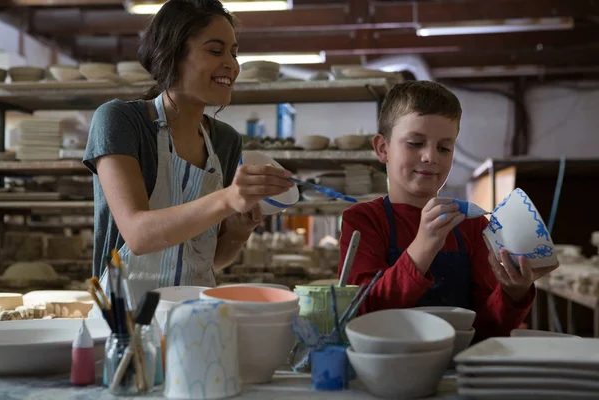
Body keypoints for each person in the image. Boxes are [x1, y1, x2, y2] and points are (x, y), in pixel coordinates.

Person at [83, 0, 294, 300]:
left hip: (198, 318)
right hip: (124, 319)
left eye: (234, 53)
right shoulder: (120, 121)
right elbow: (138, 235)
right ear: (173, 53)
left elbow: (211, 259)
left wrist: (238, 230)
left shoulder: (225, 140)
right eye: (215, 50)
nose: (232, 65)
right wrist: (227, 199)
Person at [337, 80, 558, 341]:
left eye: (444, 147)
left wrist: (513, 293)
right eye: (415, 143)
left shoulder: (471, 226)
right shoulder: (364, 221)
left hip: (459, 368)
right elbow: (360, 314)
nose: (431, 156)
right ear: (383, 148)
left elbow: (488, 328)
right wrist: (422, 249)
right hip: (391, 366)